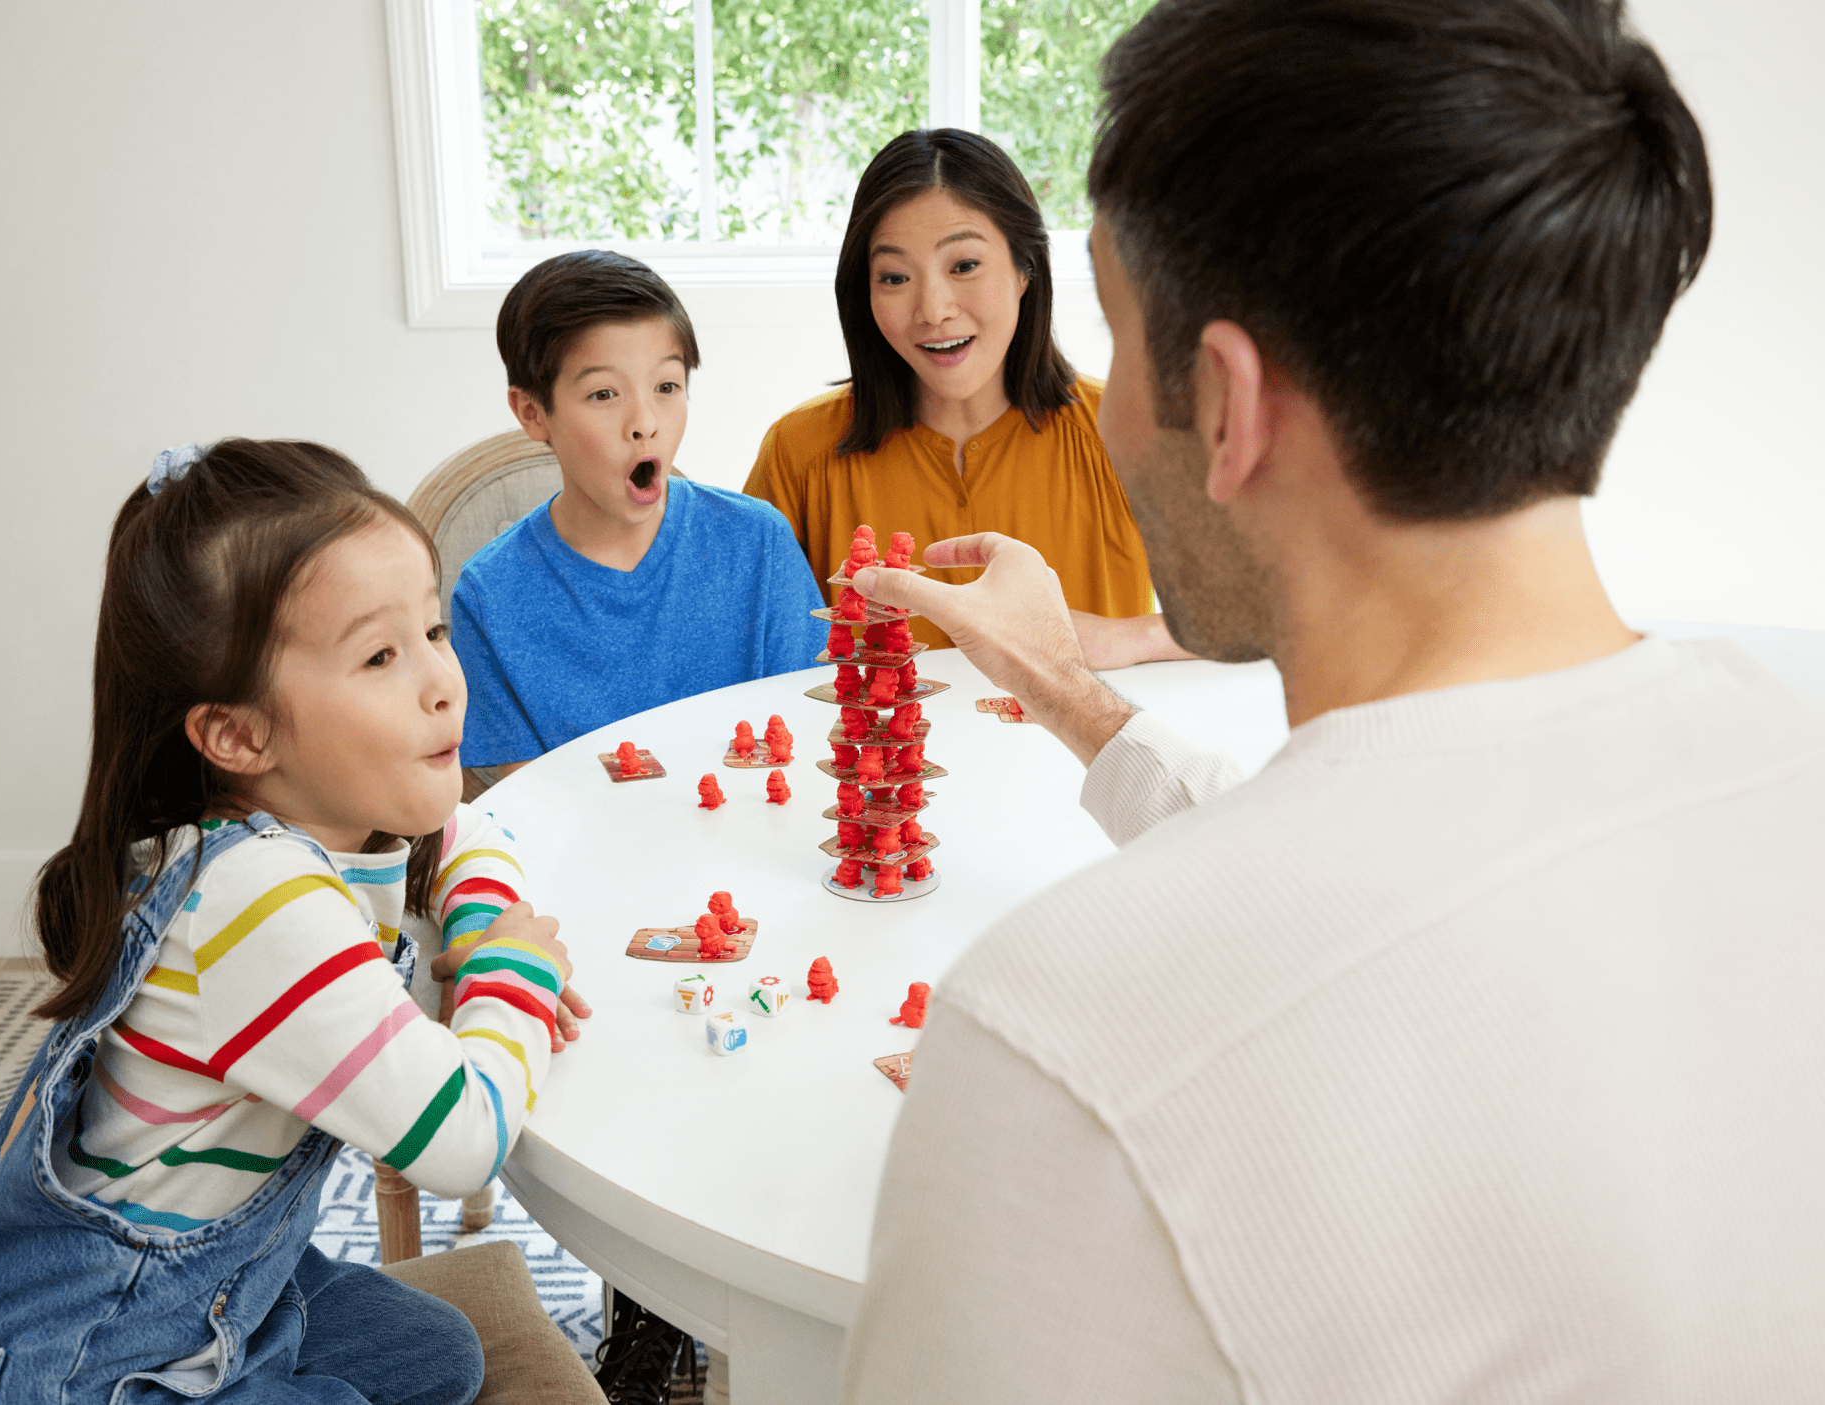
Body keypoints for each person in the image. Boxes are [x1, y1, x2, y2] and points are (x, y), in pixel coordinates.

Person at [839, 1, 1825, 1400]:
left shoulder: (1058, 1037)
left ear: (1227, 406)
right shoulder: (1786, 769)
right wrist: (1068, 690)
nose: (1110, 416)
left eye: (1117, 341)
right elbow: (1403, 873)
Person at [0, 440, 587, 1404]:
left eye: (433, 629)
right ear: (238, 733)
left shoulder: (312, 822)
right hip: (71, 1363)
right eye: (382, 655)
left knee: (440, 1354)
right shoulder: (261, 907)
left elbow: (471, 825)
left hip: (200, 1297)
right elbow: (462, 1140)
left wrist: (482, 924)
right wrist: (515, 977)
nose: (441, 680)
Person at [745, 128, 1190, 667]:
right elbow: (740, 650)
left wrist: (1127, 638)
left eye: (964, 266)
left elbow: (1272, 607)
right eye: (893, 276)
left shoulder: (1123, 428)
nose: (933, 308)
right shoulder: (799, 452)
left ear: (1025, 269)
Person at [452, 250, 827, 785]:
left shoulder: (758, 543)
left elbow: (811, 731)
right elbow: (530, 805)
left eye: (667, 387)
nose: (645, 423)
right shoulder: (489, 596)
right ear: (532, 412)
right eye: (603, 394)